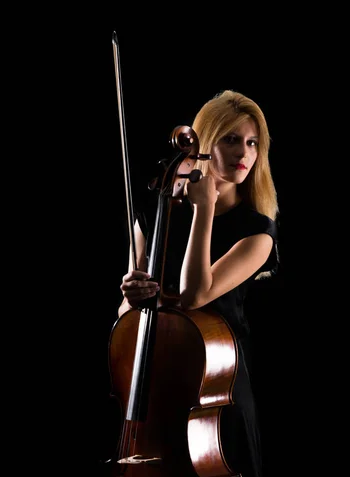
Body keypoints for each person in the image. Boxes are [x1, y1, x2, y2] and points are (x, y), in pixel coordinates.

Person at [118, 89, 279, 477]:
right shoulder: (154, 210)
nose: (244, 153)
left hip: (214, 388)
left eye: (252, 142)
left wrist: (203, 208)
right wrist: (131, 296)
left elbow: (195, 295)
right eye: (230, 139)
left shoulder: (258, 232)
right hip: (159, 382)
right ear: (205, 143)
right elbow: (125, 315)